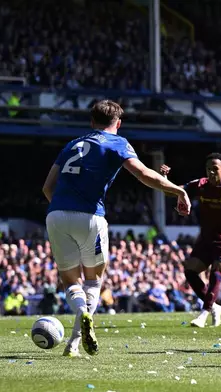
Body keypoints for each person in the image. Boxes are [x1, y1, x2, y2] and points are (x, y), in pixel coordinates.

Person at [42, 100, 191, 357]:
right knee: (93, 280)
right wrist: (178, 190)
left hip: (55, 214)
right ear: (119, 124)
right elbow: (143, 174)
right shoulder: (118, 142)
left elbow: (47, 188)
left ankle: (77, 328)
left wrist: (63, 210)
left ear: (91, 121)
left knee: (69, 281)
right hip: (90, 216)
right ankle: (76, 337)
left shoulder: (71, 145)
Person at [160, 153, 221, 327]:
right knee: (190, 270)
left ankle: (204, 312)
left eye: (215, 169)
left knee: (217, 270)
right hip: (206, 237)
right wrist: (163, 177)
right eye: (208, 169)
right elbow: (171, 191)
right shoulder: (200, 185)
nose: (211, 173)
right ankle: (214, 307)